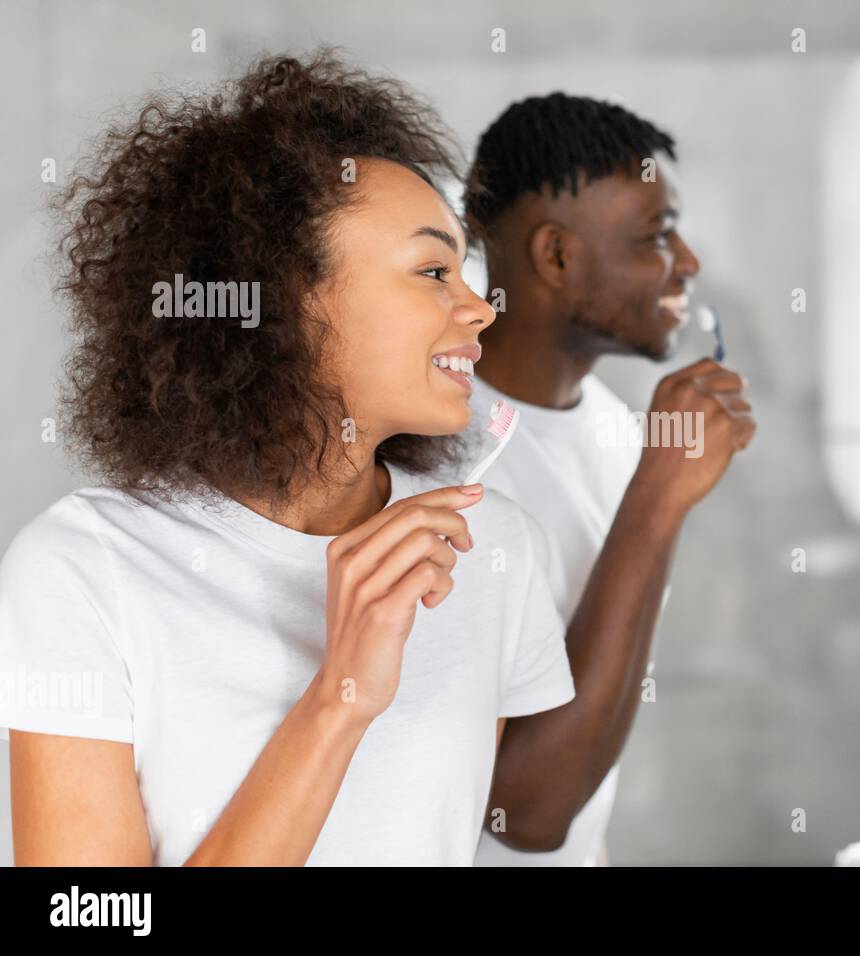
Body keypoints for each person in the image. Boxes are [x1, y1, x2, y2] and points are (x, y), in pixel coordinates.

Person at [0, 52, 576, 866]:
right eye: (433, 271)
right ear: (280, 302)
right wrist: (341, 697)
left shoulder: (492, 548)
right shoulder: (84, 571)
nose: (480, 309)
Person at [464, 92, 757, 866]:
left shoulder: (615, 426)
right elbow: (520, 812)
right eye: (658, 235)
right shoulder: (443, 454)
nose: (688, 263)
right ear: (556, 256)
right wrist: (659, 498)